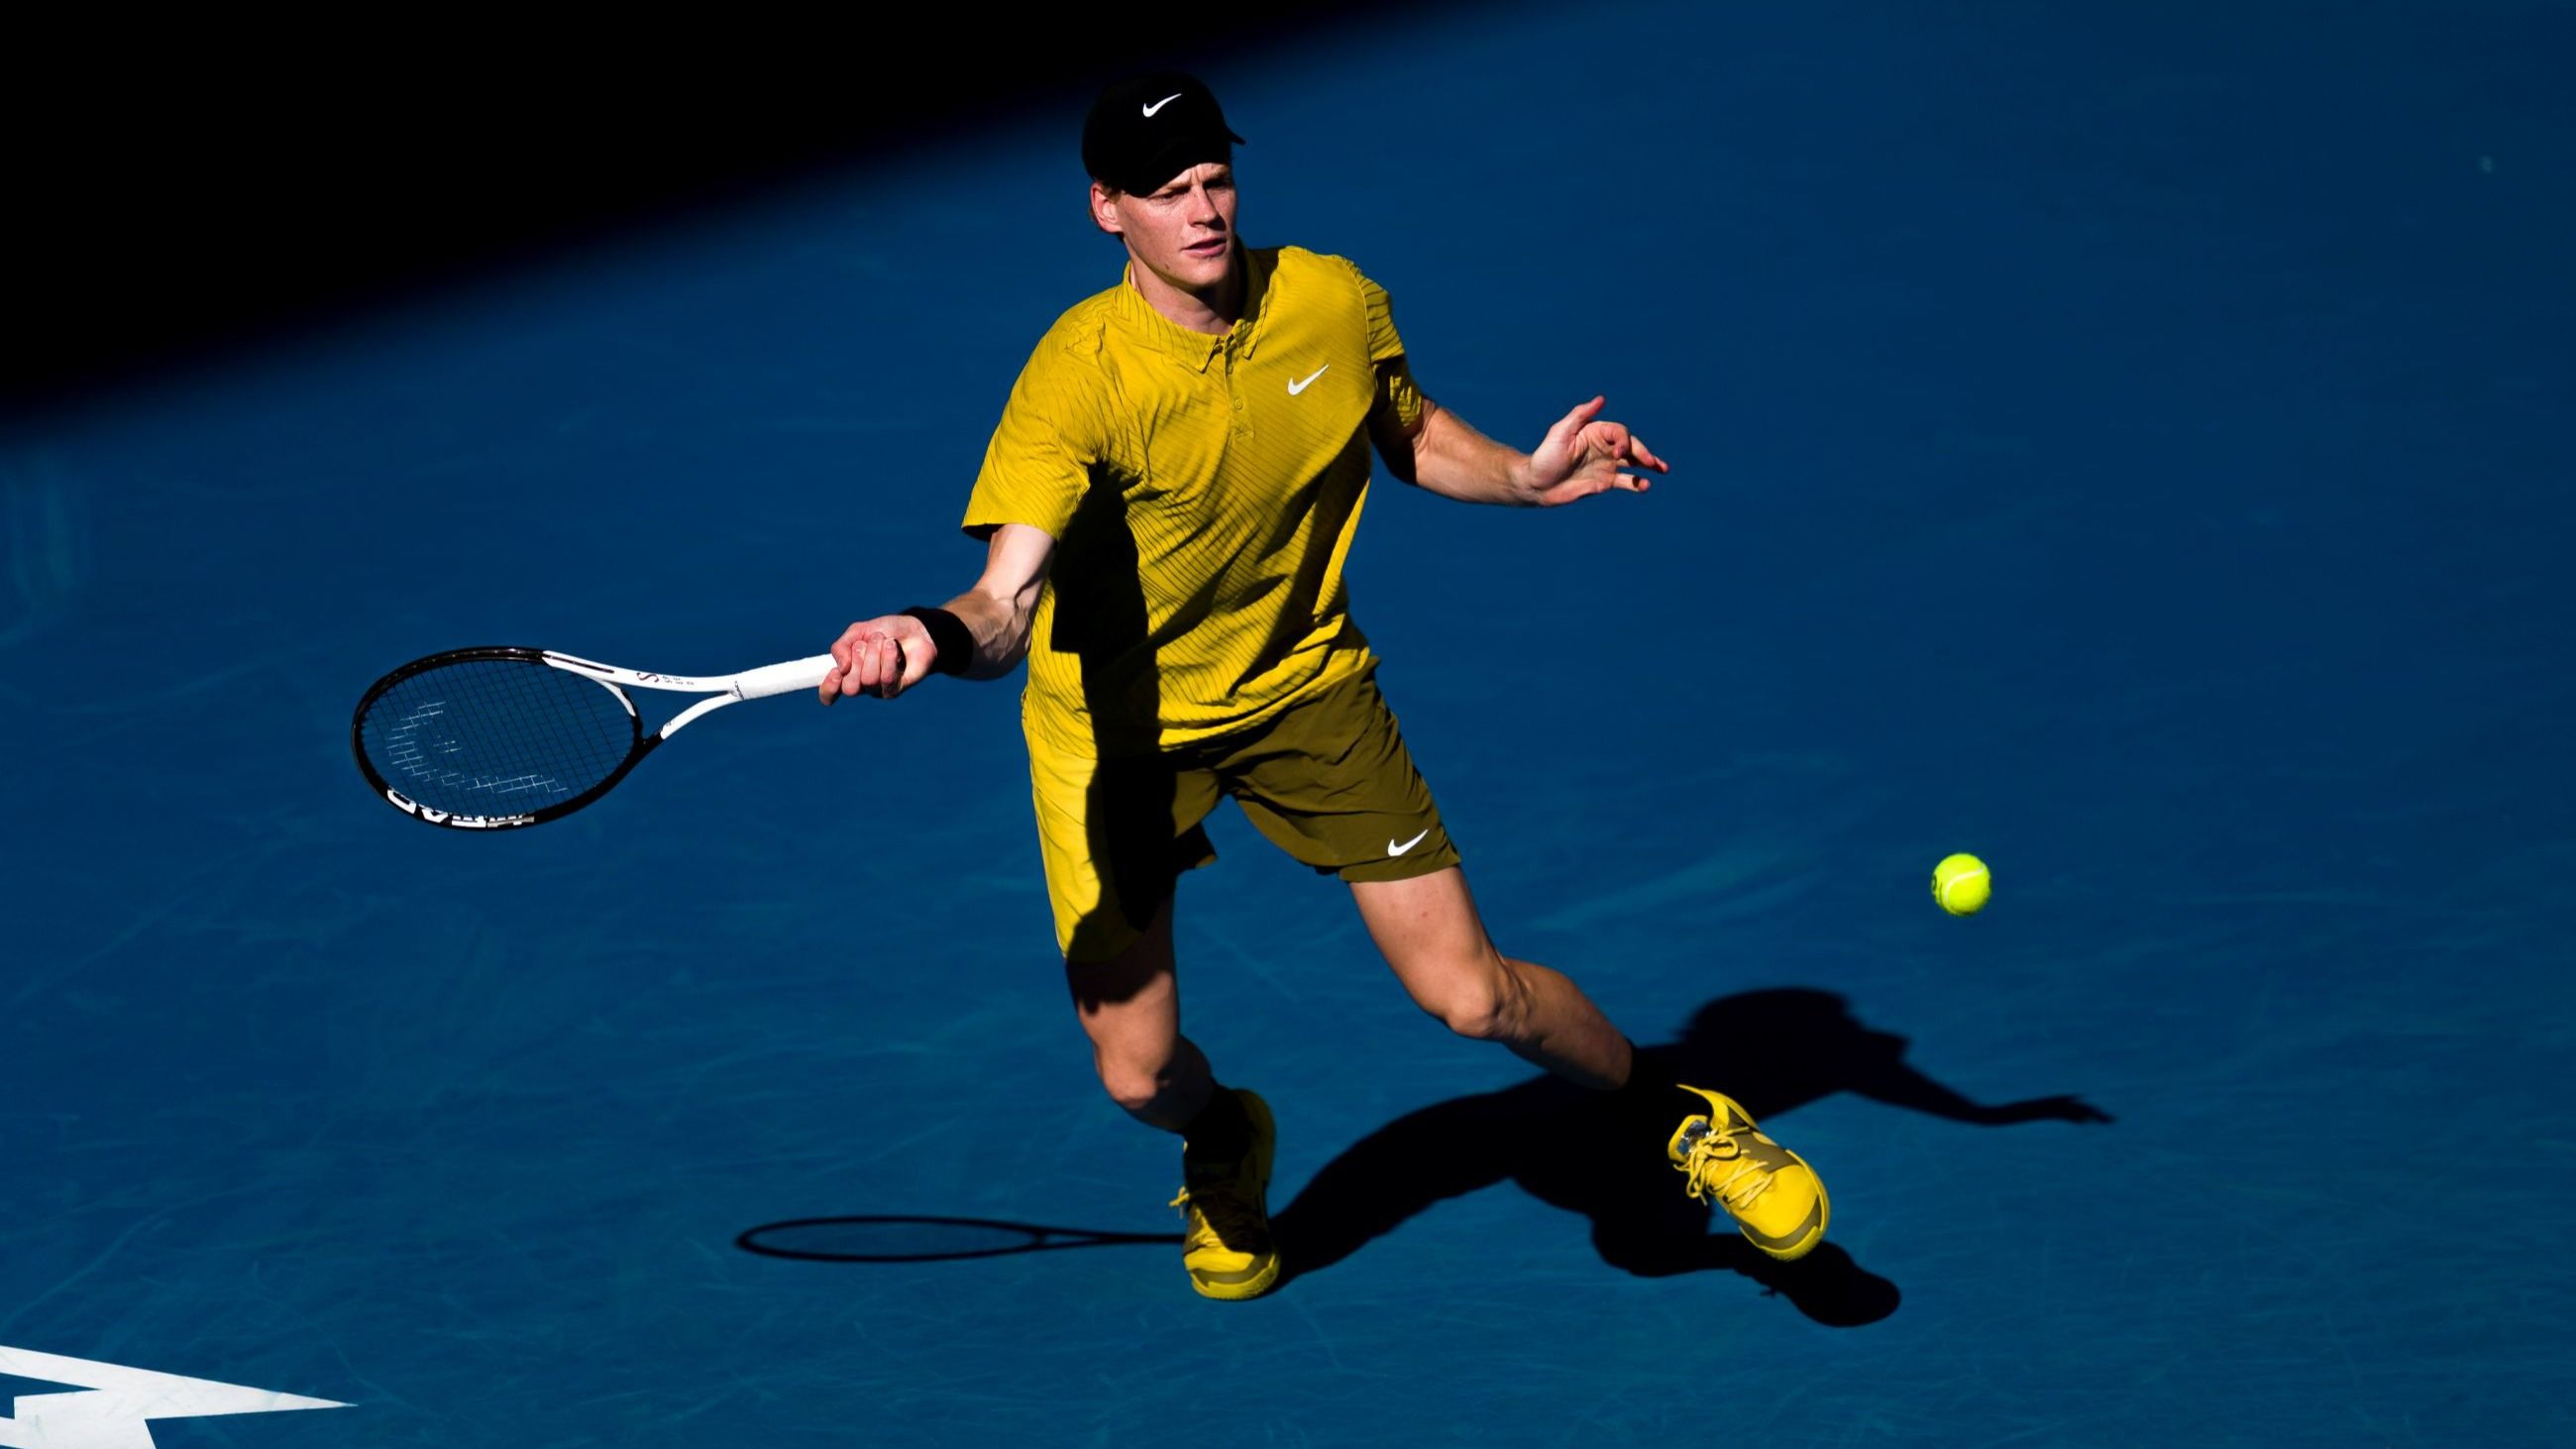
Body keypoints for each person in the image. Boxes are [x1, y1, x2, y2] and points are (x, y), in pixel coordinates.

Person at [815, 71, 1827, 1300]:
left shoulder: (1328, 300)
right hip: (1120, 739)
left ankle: (1679, 1113)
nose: (1203, 211)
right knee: (1136, 1073)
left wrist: (1521, 475)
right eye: (1166, 191)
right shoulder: (1075, 379)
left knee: (1471, 996)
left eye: (1214, 180)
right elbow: (1005, 605)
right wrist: (928, 631)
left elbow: (1407, 430)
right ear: (1105, 208)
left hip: (1303, 690)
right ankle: (1221, 1134)